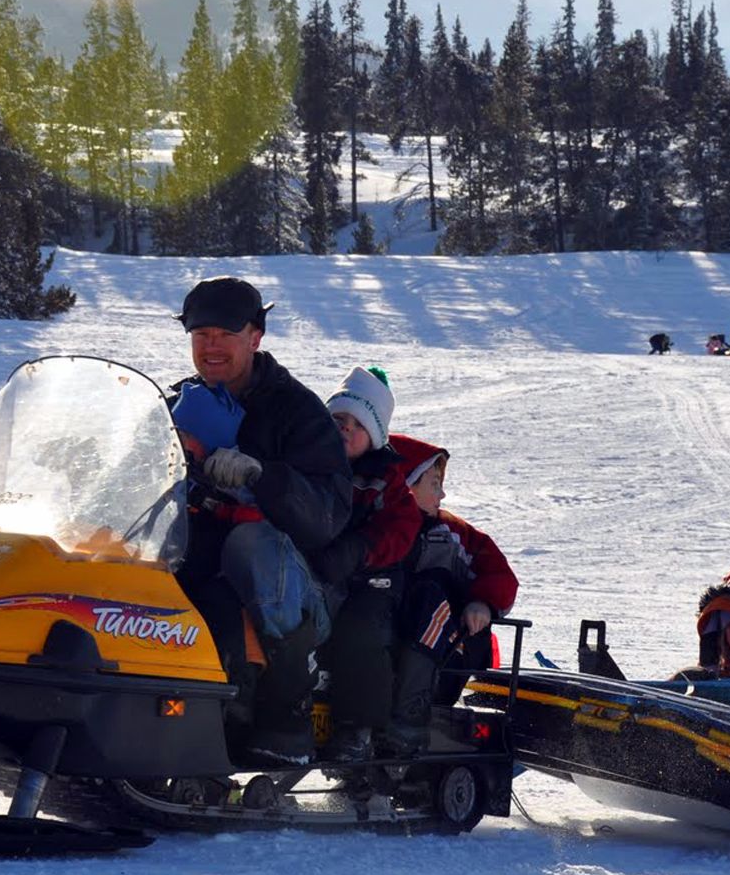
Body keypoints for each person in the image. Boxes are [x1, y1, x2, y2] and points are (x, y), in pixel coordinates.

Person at [168, 276, 352, 766]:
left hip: (305, 593)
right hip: (213, 575)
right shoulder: (180, 405)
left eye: (226, 334)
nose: (211, 346)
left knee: (251, 542)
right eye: (200, 334)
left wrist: (262, 476)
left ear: (255, 337)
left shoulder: (297, 411)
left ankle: (287, 714)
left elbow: (328, 517)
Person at [308, 366, 422, 762]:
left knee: (360, 633)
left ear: (373, 436)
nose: (344, 429)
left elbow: (402, 528)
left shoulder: (384, 479)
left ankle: (358, 728)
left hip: (372, 582)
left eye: (357, 425)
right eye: (338, 419)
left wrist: (360, 548)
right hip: (320, 568)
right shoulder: (311, 463)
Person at [383, 435, 520, 752]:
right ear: (407, 485)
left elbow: (501, 575)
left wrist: (482, 602)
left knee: (430, 590)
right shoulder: (378, 525)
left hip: (448, 653)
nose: (442, 494)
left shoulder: (452, 532)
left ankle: (411, 708)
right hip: (387, 650)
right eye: (434, 483)